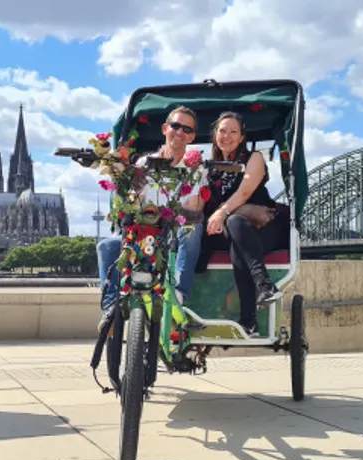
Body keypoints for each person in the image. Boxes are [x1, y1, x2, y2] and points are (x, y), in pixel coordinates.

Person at [95, 106, 207, 333]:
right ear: (165, 129)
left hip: (174, 234)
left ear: (192, 137)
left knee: (191, 229)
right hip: (145, 235)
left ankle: (178, 296)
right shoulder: (144, 164)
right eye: (176, 126)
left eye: (187, 129)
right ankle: (111, 308)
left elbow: (194, 208)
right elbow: (133, 201)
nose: (180, 132)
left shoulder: (196, 169)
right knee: (106, 246)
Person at [198, 111, 289, 337]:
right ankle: (263, 288)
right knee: (235, 227)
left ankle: (251, 316)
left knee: (236, 226)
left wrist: (221, 212)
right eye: (222, 131)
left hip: (263, 227)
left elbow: (245, 192)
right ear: (215, 135)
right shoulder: (207, 168)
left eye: (233, 132)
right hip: (229, 231)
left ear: (241, 137)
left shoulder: (253, 158)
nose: (227, 136)